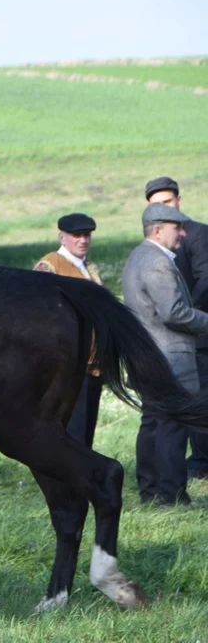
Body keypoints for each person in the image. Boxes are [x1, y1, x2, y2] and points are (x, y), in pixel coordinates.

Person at [121, 203, 208, 506]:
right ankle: (171, 496)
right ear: (158, 230)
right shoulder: (157, 261)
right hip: (170, 359)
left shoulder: (137, 257)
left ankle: (151, 493)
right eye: (177, 227)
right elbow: (173, 313)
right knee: (173, 426)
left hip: (150, 358)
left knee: (153, 424)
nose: (183, 233)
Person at [145, 176, 208, 480]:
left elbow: (206, 278)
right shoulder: (152, 246)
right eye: (157, 204)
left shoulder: (196, 234)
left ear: (180, 201)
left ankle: (201, 462)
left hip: (197, 334)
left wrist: (189, 315)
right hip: (174, 336)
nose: (164, 208)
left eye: (168, 202)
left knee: (198, 400)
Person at [33, 213, 105, 447]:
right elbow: (39, 318)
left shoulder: (89, 267)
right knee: (70, 433)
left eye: (87, 235)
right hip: (68, 366)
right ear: (62, 238)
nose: (83, 240)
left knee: (85, 433)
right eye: (77, 235)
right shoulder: (50, 265)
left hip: (93, 364)